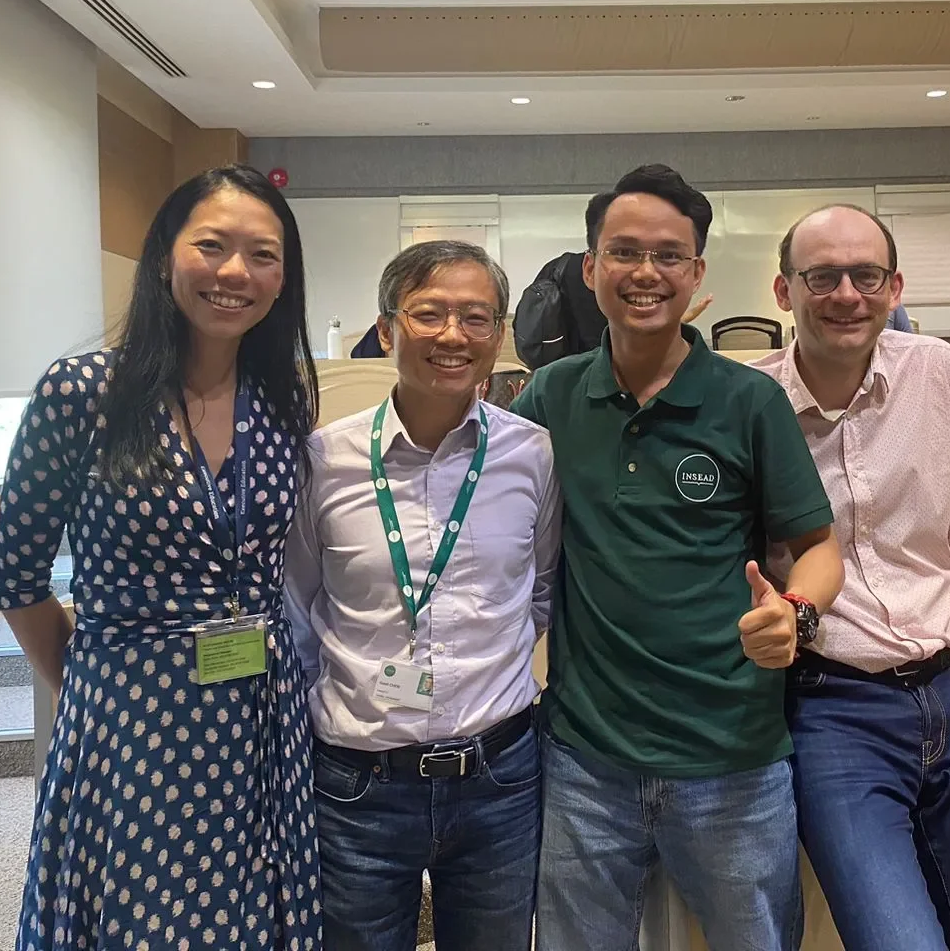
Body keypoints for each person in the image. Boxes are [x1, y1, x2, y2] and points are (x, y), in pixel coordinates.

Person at [511, 163, 844, 951]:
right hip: (586, 759)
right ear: (590, 268)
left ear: (696, 273)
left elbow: (819, 548)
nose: (646, 272)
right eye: (624, 252)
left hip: (732, 755)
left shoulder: (748, 399)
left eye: (669, 255)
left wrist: (795, 612)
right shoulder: (551, 396)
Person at [0, 165, 323, 950]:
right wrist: (94, 684)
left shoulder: (283, 400)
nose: (236, 272)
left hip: (260, 711)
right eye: (212, 246)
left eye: (263, 255)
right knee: (140, 914)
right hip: (129, 714)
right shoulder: (83, 393)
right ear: (164, 255)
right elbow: (18, 577)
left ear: (283, 279)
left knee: (251, 910)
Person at [754, 205, 950, 951]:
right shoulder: (750, 401)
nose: (846, 295)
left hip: (948, 694)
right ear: (785, 291)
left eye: (866, 275)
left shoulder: (938, 371)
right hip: (830, 708)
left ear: (895, 288)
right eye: (822, 277)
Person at [286, 240, 560, 951]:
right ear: (386, 330)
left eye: (476, 317)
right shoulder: (324, 460)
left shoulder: (532, 453)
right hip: (359, 784)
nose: (453, 335)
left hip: (499, 776)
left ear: (498, 335)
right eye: (429, 313)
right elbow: (300, 610)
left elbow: (540, 591)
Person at [513, 247, 713, 369]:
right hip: (594, 376)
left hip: (545, 364)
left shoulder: (557, 266)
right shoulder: (610, 277)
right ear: (589, 268)